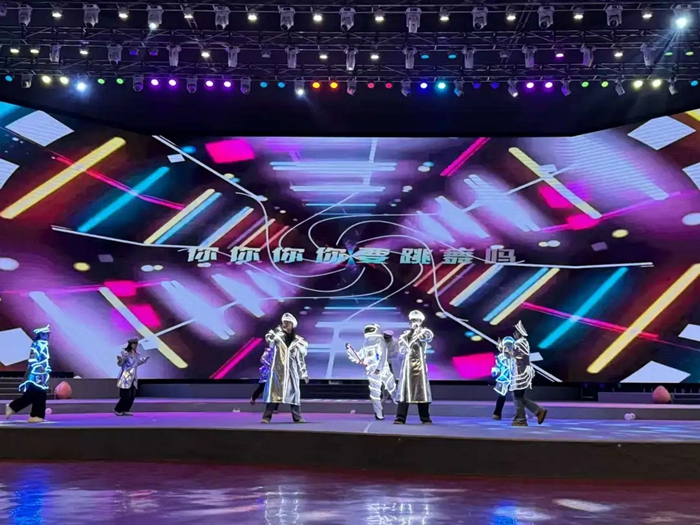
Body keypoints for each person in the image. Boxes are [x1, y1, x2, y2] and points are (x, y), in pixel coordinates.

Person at [491, 321, 547, 427]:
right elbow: (509, 358)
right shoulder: (522, 343)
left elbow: (517, 355)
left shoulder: (519, 343)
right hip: (513, 376)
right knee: (516, 396)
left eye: (516, 332)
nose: (514, 334)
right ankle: (533, 413)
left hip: (520, 374)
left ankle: (522, 418)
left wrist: (507, 351)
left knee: (517, 396)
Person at [261, 313, 309, 423]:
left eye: (287, 322)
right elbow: (269, 341)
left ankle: (297, 417)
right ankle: (266, 417)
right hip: (278, 370)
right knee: (274, 394)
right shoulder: (277, 337)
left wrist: (304, 374)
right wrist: (277, 331)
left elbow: (300, 359)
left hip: (291, 371)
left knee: (294, 394)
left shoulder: (298, 341)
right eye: (284, 322)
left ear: (292, 324)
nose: (285, 324)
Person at [345, 323, 397, 420]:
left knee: (392, 388)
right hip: (372, 371)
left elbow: (383, 356)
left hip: (383, 369)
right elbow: (359, 357)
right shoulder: (366, 343)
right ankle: (379, 413)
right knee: (375, 394)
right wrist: (350, 351)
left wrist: (379, 368)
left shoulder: (380, 341)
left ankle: (399, 406)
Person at [6, 324, 52, 423]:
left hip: (42, 376)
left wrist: (46, 368)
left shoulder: (44, 345)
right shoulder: (37, 345)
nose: (48, 335)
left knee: (40, 395)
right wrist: (40, 368)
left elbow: (44, 360)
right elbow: (33, 359)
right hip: (36, 375)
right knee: (32, 395)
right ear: (41, 334)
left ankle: (36, 415)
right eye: (46, 334)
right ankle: (13, 407)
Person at [395, 310, 434, 424]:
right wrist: (406, 342)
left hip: (419, 366)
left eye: (416, 320)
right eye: (412, 320)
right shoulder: (405, 335)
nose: (414, 322)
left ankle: (425, 418)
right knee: (404, 392)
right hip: (407, 367)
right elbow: (402, 349)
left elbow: (426, 338)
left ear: (421, 321)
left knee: (421, 391)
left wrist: (418, 331)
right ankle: (400, 418)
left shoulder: (425, 332)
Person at [114, 338, 150, 416]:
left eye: (136, 343)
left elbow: (136, 363)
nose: (135, 345)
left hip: (133, 376)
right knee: (126, 395)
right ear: (130, 344)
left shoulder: (137, 353)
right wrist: (120, 360)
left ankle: (126, 409)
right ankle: (118, 409)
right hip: (125, 376)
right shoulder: (125, 353)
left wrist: (144, 360)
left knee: (132, 395)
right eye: (134, 343)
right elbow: (120, 364)